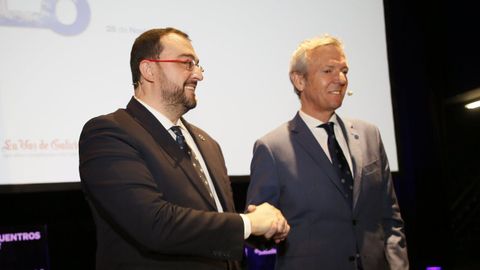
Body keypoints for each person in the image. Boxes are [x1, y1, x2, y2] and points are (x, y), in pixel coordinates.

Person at [79, 27, 289, 270]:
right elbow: (153, 224)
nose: (198, 75)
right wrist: (248, 223)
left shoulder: (207, 144)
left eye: (198, 65)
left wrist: (264, 228)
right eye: (187, 64)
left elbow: (211, 228)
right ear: (148, 70)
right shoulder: (108, 133)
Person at [246, 35, 409, 269]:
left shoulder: (370, 135)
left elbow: (390, 219)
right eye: (328, 71)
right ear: (299, 80)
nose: (341, 79)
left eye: (344, 71)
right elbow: (258, 233)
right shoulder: (272, 148)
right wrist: (267, 230)